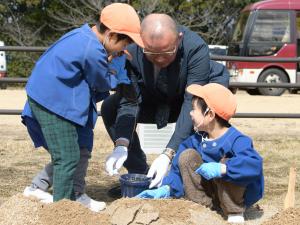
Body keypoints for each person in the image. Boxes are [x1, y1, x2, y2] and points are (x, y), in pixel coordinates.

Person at [21, 3, 143, 212]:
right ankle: (63, 210)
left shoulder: (83, 35)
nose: (126, 48)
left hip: (57, 98)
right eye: (125, 42)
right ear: (112, 35)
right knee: (67, 157)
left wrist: (111, 59)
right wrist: (116, 71)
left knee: (77, 150)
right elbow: (102, 83)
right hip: (52, 103)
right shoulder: (93, 50)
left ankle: (69, 195)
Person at [101, 13, 230, 195]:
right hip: (153, 97)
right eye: (151, 53)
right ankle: (141, 175)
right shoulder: (130, 49)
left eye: (167, 52)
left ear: (179, 39)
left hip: (189, 100)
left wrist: (168, 154)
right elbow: (130, 102)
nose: (160, 59)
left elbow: (191, 101)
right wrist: (122, 143)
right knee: (110, 107)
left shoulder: (195, 48)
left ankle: (193, 181)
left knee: (206, 113)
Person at [137, 83, 264, 223]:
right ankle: (202, 207)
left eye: (193, 109)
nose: (190, 113)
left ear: (209, 115)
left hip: (236, 198)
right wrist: (168, 188)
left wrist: (223, 169)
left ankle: (234, 212)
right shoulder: (196, 140)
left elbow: (253, 164)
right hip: (211, 194)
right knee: (187, 156)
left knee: (227, 162)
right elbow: (178, 169)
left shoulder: (237, 140)